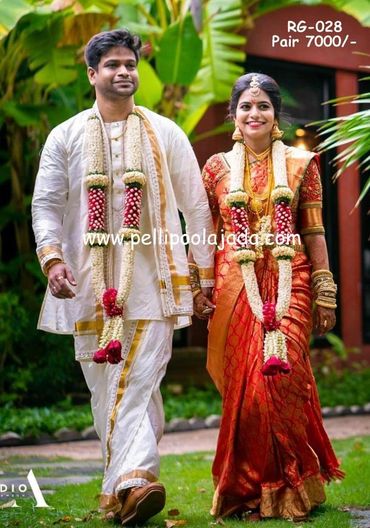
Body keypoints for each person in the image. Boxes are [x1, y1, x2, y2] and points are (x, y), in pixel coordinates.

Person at [32, 29, 215, 525]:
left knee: (137, 378)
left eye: (130, 64)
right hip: (87, 285)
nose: (124, 71)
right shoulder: (65, 136)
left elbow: (196, 206)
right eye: (112, 64)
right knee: (106, 387)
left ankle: (133, 479)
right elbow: (46, 204)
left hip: (155, 282)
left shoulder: (165, 132)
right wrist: (52, 259)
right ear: (92, 74)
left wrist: (205, 276)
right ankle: (122, 493)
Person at [191, 73, 344, 521]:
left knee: (283, 379)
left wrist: (325, 290)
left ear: (275, 113)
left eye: (262, 106)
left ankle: (294, 483)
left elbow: (313, 232)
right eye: (245, 106)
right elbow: (207, 234)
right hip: (236, 283)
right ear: (234, 115)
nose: (253, 113)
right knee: (247, 391)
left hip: (289, 275)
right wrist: (201, 285)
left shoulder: (301, 164)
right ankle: (249, 489)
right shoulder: (216, 168)